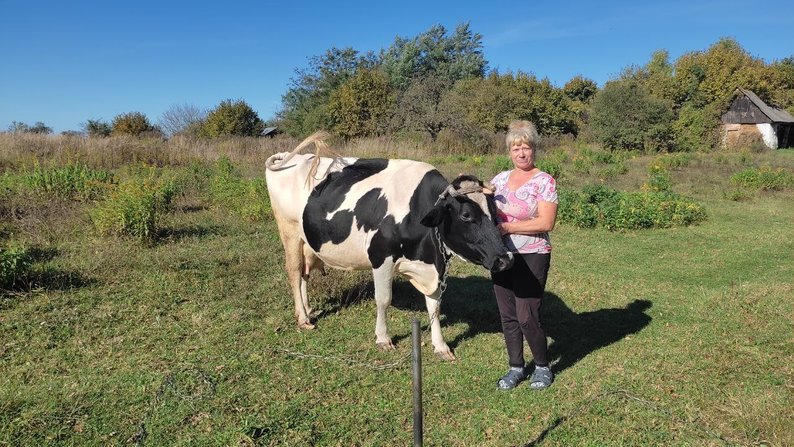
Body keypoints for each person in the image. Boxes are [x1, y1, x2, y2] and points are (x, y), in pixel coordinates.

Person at [490, 120, 558, 390]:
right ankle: (516, 367)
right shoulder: (499, 179)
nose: (521, 153)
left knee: (527, 314)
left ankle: (542, 367)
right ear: (509, 152)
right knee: (507, 314)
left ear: (534, 150)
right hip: (502, 254)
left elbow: (546, 222)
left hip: (532, 253)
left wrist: (508, 227)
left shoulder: (544, 181)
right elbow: (485, 205)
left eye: (526, 148)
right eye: (516, 148)